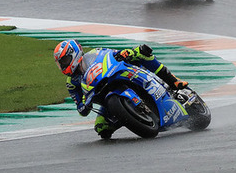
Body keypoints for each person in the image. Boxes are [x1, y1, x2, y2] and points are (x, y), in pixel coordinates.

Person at [54, 39, 188, 139]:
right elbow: (81, 110)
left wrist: (123, 54)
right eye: (61, 63)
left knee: (141, 52)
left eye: (65, 60)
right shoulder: (71, 83)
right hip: (104, 98)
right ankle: (131, 116)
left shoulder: (94, 53)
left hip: (115, 76)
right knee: (102, 129)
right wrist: (84, 103)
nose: (63, 65)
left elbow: (111, 55)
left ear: (75, 54)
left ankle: (173, 81)